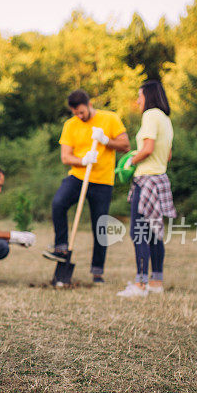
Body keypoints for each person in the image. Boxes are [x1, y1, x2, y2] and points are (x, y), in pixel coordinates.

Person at [43, 89, 130, 283]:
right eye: (75, 113)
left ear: (89, 104)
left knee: (99, 225)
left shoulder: (110, 119)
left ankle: (97, 271)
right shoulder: (70, 125)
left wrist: (106, 140)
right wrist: (83, 160)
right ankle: (61, 246)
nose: (79, 116)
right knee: (58, 203)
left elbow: (125, 145)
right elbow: (66, 156)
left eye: (81, 112)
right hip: (78, 176)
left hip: (102, 181)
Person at [117, 80, 176, 298]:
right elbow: (167, 155)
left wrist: (131, 161)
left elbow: (148, 148)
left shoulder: (150, 115)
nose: (137, 100)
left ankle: (140, 285)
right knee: (154, 233)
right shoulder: (166, 119)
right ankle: (156, 282)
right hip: (160, 180)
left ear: (148, 96)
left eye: (139, 96)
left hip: (146, 182)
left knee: (138, 232)